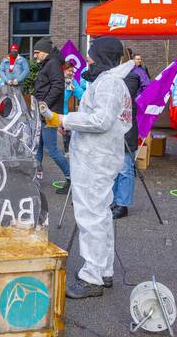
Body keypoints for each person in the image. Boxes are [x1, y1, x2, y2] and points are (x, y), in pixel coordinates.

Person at [42, 36, 132, 299]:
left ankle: (92, 276)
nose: (88, 60)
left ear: (103, 57)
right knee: (100, 214)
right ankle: (103, 270)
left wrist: (65, 119)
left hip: (96, 159)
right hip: (97, 156)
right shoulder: (108, 82)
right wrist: (67, 123)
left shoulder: (109, 84)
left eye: (91, 55)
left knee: (90, 216)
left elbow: (101, 120)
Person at [31, 38, 69, 193]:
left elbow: (58, 86)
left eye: (37, 52)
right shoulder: (49, 63)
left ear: (45, 51)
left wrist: (44, 104)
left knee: (51, 148)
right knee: (39, 146)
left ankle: (71, 178)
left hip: (48, 113)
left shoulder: (52, 64)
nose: (34, 56)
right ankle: (34, 176)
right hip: (44, 113)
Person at [110, 50, 144, 220]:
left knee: (124, 168)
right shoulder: (110, 75)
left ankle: (122, 204)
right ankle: (114, 200)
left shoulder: (131, 76)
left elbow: (122, 97)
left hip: (125, 129)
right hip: (112, 129)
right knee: (114, 168)